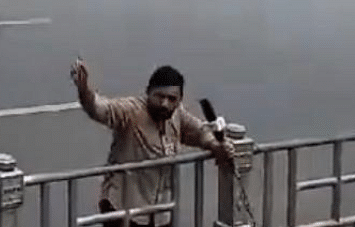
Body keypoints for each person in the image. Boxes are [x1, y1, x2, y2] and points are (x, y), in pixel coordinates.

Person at [70, 60, 235, 227]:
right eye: (159, 96)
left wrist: (215, 145)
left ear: (179, 101)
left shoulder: (177, 115)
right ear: (148, 92)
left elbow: (200, 132)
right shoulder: (131, 111)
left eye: (171, 99)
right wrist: (84, 91)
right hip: (124, 209)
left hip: (161, 212)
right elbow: (99, 109)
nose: (165, 103)